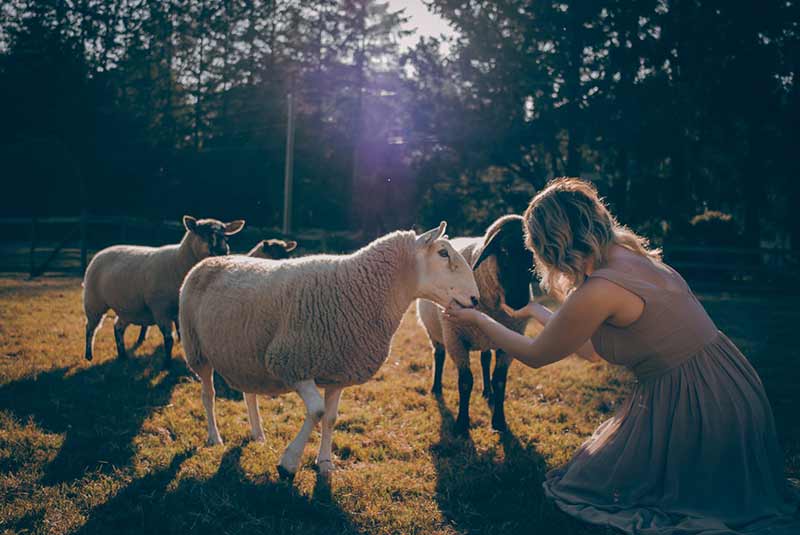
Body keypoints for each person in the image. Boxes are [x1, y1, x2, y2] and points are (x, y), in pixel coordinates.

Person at [444, 177, 798, 534]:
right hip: (731, 386)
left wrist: (477, 319)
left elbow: (536, 355)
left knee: (596, 488)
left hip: (699, 404)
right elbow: (591, 350)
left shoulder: (599, 289)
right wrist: (535, 311)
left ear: (550, 244)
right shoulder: (632, 258)